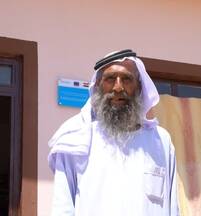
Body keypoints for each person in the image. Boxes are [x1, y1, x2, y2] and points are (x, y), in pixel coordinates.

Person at [48, 49, 179, 216]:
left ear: (139, 87)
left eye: (127, 79)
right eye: (110, 79)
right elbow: (62, 208)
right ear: (97, 86)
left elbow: (172, 207)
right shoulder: (75, 140)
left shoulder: (161, 140)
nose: (118, 87)